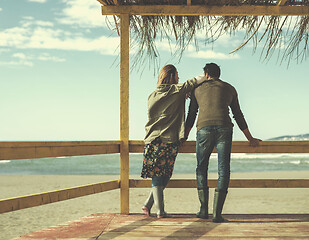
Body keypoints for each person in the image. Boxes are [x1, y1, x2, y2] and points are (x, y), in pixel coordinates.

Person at [185, 63, 261, 223]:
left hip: (204, 129)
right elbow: (238, 115)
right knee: (223, 169)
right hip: (225, 128)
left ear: (206, 74)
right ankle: (217, 214)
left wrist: (184, 136)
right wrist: (250, 138)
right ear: (218, 74)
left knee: (201, 167)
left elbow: (191, 114)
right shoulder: (230, 88)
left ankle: (204, 210)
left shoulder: (197, 89)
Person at [141, 64, 207, 218]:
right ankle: (160, 211)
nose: (179, 78)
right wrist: (207, 74)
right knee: (160, 175)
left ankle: (147, 205)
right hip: (167, 139)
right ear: (171, 76)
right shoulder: (177, 90)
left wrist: (182, 95)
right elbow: (199, 79)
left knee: (164, 175)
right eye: (177, 75)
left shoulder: (152, 95)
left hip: (152, 139)